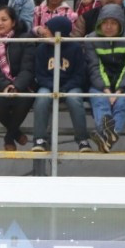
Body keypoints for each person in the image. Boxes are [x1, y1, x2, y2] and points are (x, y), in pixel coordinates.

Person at [85, 5, 125, 153]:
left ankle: (104, 138)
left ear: (121, 24)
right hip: (99, 86)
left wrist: (118, 91)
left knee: (122, 103)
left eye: (113, 23)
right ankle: (108, 138)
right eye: (105, 23)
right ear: (99, 23)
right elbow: (95, 67)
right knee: (100, 101)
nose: (108, 26)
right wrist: (106, 90)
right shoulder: (91, 39)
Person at [0, 6, 35, 151]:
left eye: (4, 19)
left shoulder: (25, 39)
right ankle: (15, 133)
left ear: (13, 22)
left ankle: (9, 137)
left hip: (22, 85)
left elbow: (28, 68)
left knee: (24, 99)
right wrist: (5, 85)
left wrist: (16, 86)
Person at [31, 16, 89, 152]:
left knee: (74, 99)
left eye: (47, 28)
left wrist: (65, 88)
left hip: (71, 86)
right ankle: (39, 139)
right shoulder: (41, 49)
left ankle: (82, 140)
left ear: (58, 32)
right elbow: (39, 75)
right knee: (41, 98)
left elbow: (80, 75)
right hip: (48, 85)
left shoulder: (75, 48)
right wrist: (53, 87)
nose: (44, 31)